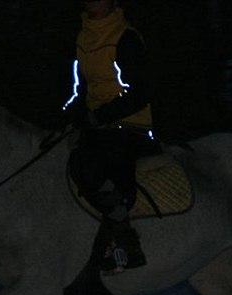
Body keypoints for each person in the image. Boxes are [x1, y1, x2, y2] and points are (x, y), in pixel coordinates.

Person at [63, 0, 160, 273]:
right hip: (97, 125)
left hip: (129, 125)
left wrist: (99, 116)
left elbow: (140, 92)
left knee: (95, 166)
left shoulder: (125, 38)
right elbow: (81, 88)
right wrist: (73, 114)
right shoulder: (83, 37)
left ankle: (125, 240)